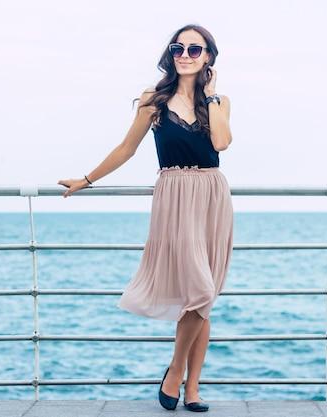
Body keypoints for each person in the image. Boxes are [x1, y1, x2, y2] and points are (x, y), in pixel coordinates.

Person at [58, 24, 233, 412]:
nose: (185, 54)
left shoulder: (218, 102)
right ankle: (176, 372)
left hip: (212, 196)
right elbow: (127, 147)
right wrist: (87, 179)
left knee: (203, 299)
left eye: (194, 49)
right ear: (170, 54)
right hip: (174, 196)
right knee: (200, 290)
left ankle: (193, 388)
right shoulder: (153, 99)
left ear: (208, 57)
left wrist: (212, 94)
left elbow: (220, 143)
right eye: (178, 48)